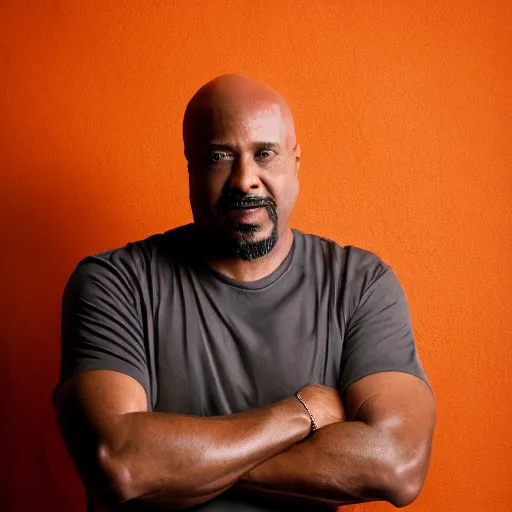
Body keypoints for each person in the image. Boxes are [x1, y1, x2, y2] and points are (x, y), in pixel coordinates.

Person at [54, 74, 436, 511]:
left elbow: (397, 465)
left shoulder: (360, 284)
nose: (244, 179)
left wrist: (182, 469)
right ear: (191, 166)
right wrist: (300, 414)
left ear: (295, 162)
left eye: (264, 154)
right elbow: (119, 464)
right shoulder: (114, 283)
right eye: (219, 156)